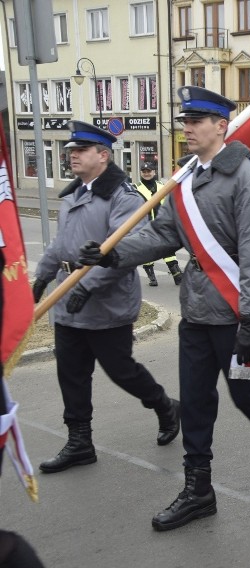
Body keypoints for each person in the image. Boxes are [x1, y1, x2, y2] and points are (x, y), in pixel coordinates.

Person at [77, 87, 250, 531]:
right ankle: (199, 490)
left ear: (222, 126)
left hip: (235, 313)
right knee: (197, 402)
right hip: (197, 312)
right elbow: (164, 235)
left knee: (246, 394)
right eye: (184, 121)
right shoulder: (183, 178)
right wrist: (112, 253)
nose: (188, 128)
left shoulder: (247, 176)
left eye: (197, 121)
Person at [31, 121, 180, 474]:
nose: (72, 157)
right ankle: (80, 442)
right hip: (69, 299)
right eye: (71, 152)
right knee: (71, 373)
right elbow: (61, 243)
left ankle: (165, 406)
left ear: (103, 155)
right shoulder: (75, 193)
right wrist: (42, 277)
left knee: (121, 371)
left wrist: (88, 284)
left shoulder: (121, 196)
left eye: (80, 151)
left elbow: (125, 250)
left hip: (106, 303)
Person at [135, 162, 183, 287]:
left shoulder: (163, 186)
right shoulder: (136, 188)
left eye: (149, 171)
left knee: (168, 249)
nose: (146, 173)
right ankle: (152, 278)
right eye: (144, 171)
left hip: (162, 223)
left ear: (154, 172)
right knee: (147, 250)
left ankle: (177, 275)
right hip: (145, 224)